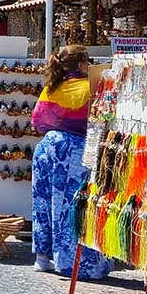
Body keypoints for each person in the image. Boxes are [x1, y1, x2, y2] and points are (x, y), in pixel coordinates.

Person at [29, 45, 110, 280]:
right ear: (83, 65)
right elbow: (100, 122)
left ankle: (42, 258)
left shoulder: (51, 88)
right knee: (72, 205)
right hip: (74, 152)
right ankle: (70, 262)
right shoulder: (89, 88)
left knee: (43, 203)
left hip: (46, 148)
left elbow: (38, 122)